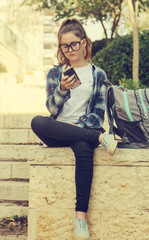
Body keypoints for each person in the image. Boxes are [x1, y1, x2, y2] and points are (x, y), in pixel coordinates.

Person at [31, 18, 117, 240]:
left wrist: (78, 127)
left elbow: (99, 114)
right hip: (56, 132)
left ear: (84, 42)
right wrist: (61, 89)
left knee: (81, 144)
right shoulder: (55, 74)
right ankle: (99, 138)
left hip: (82, 132)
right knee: (36, 122)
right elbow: (51, 108)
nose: (70, 50)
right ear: (60, 47)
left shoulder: (98, 75)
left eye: (74, 44)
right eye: (64, 46)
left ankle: (80, 219)